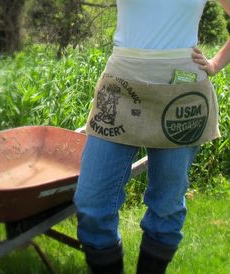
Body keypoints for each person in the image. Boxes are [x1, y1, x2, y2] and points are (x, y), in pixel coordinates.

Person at [74, 1, 230, 273]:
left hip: (181, 93)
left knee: (166, 206)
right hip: (120, 84)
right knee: (92, 203)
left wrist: (216, 63)